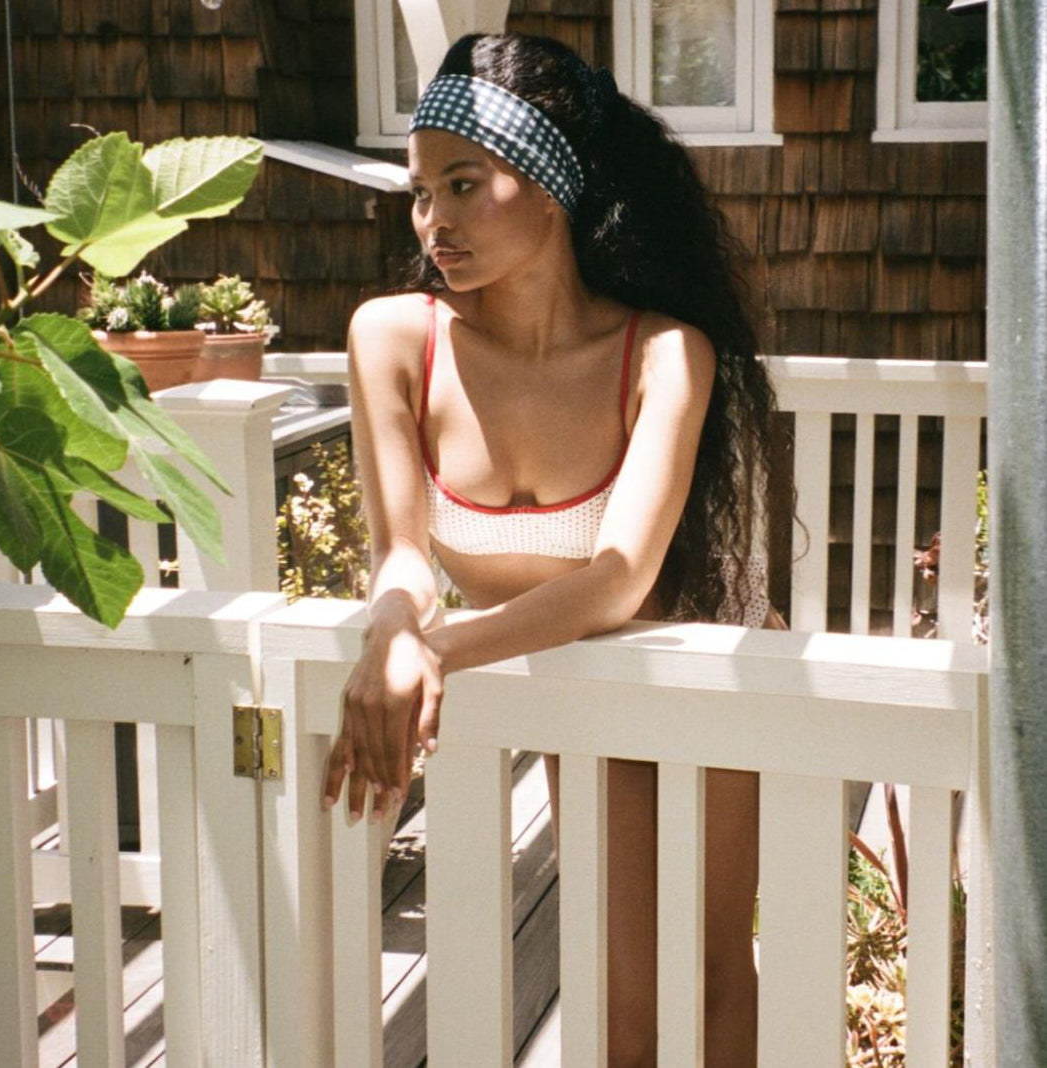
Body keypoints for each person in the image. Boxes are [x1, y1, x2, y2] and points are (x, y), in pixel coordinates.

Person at [322, 31, 794, 1068]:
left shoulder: (663, 352)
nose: (433, 221)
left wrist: (437, 651)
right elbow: (402, 552)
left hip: (697, 661)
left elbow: (616, 580)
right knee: (624, 1000)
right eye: (419, 193)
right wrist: (393, 628)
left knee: (711, 969)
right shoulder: (393, 338)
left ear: (549, 186)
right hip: (578, 682)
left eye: (462, 184)